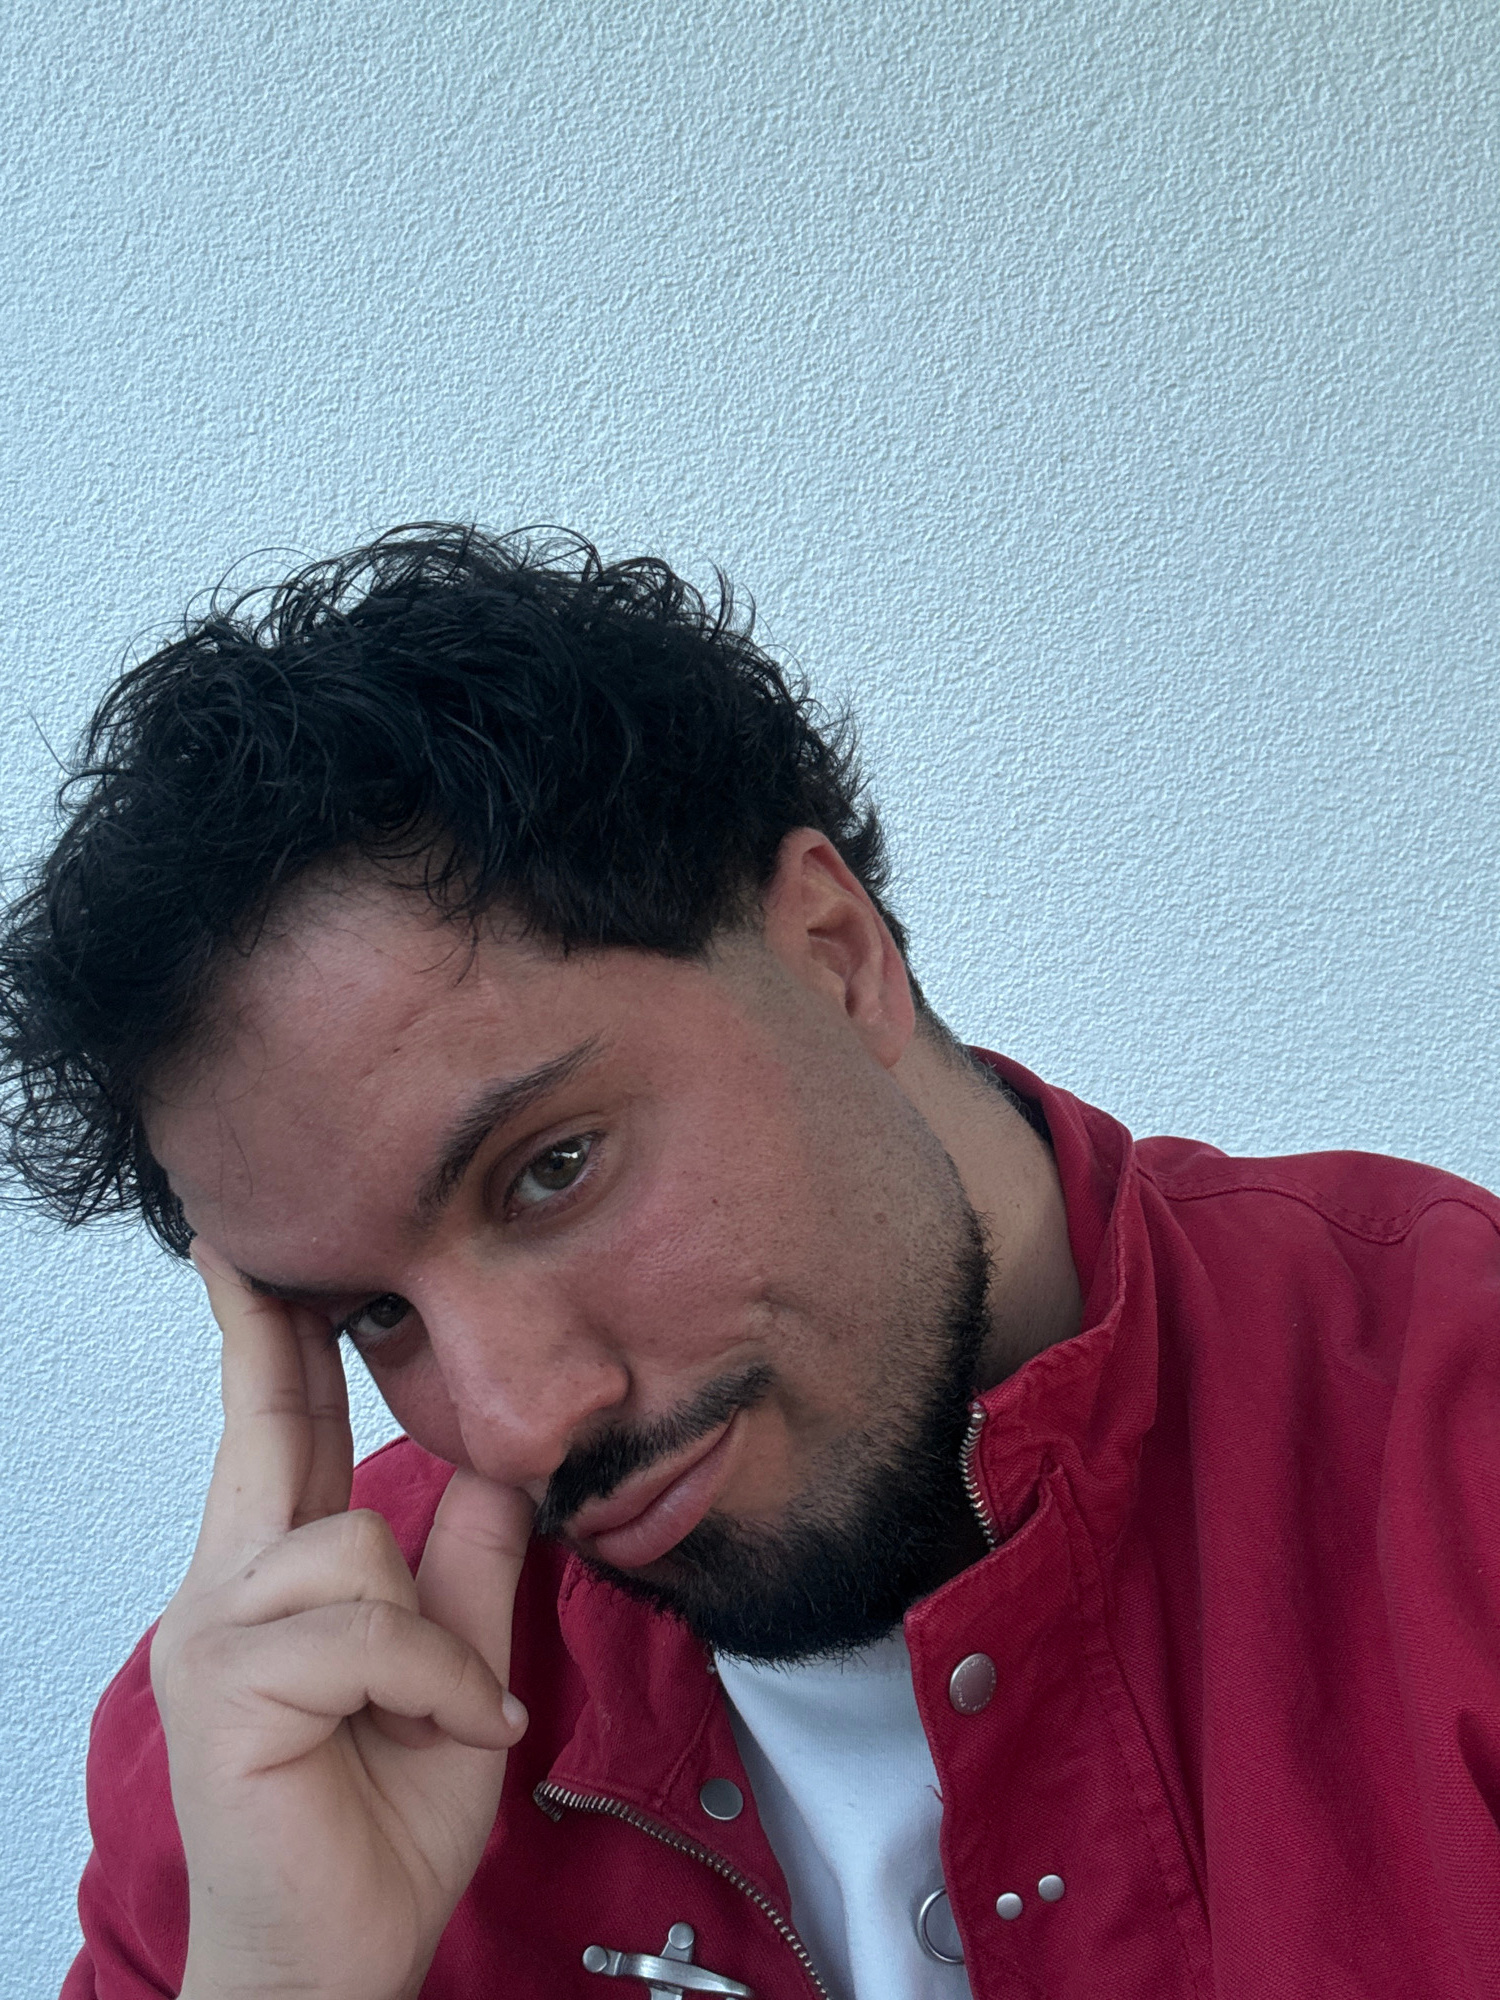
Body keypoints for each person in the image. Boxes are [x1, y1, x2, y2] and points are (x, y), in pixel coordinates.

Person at [4, 525, 1499, 2000]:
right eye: (376, 1315)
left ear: (836, 955)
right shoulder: (265, 1755)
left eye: (552, 1170)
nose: (515, 1426)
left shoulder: (1455, 1428)